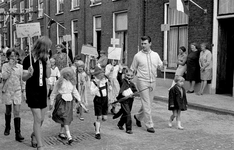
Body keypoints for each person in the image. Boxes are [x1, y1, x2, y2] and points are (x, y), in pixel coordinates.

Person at [22, 36, 52, 150]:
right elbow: (24, 78)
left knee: (42, 119)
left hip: (42, 92)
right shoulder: (27, 60)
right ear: (42, 48)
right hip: (32, 91)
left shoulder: (45, 59)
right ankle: (40, 145)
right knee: (38, 118)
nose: (49, 50)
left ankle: (34, 134)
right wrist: (29, 74)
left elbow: (48, 75)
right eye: (47, 48)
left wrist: (48, 65)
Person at [130, 36, 163, 133]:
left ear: (150, 43)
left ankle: (138, 117)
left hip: (153, 81)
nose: (143, 45)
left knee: (148, 103)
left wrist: (164, 65)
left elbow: (160, 67)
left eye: (145, 43)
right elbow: (132, 69)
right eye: (142, 43)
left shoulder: (156, 55)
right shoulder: (137, 56)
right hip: (142, 81)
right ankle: (149, 124)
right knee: (146, 103)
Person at [49, 67, 81, 145]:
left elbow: (75, 91)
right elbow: (53, 92)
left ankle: (61, 132)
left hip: (69, 101)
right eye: (69, 75)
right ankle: (69, 136)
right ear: (65, 75)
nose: (70, 77)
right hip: (61, 101)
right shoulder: (59, 82)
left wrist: (79, 99)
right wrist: (51, 102)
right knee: (65, 116)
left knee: (66, 117)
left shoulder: (72, 82)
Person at [2, 48, 25, 142]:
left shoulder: (20, 67)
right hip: (7, 90)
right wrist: (10, 68)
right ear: (8, 57)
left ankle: (18, 133)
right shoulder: (5, 66)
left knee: (17, 111)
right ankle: (7, 126)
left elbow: (22, 79)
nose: (14, 58)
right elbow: (3, 77)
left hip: (17, 91)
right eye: (12, 56)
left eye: (15, 56)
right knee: (8, 110)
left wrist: (23, 89)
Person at [115, 69, 137, 134]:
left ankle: (120, 124)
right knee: (128, 114)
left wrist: (135, 94)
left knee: (126, 113)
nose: (129, 77)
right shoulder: (123, 82)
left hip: (130, 100)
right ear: (125, 75)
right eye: (128, 75)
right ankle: (128, 129)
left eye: (131, 76)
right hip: (124, 100)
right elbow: (119, 78)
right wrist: (120, 72)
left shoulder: (132, 84)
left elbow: (135, 91)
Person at [90, 66, 110, 139]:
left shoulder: (106, 81)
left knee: (104, 118)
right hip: (98, 100)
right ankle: (97, 132)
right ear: (96, 75)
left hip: (105, 100)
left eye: (102, 74)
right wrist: (97, 87)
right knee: (99, 117)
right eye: (100, 74)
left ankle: (96, 124)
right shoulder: (93, 82)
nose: (102, 76)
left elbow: (108, 90)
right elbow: (92, 93)